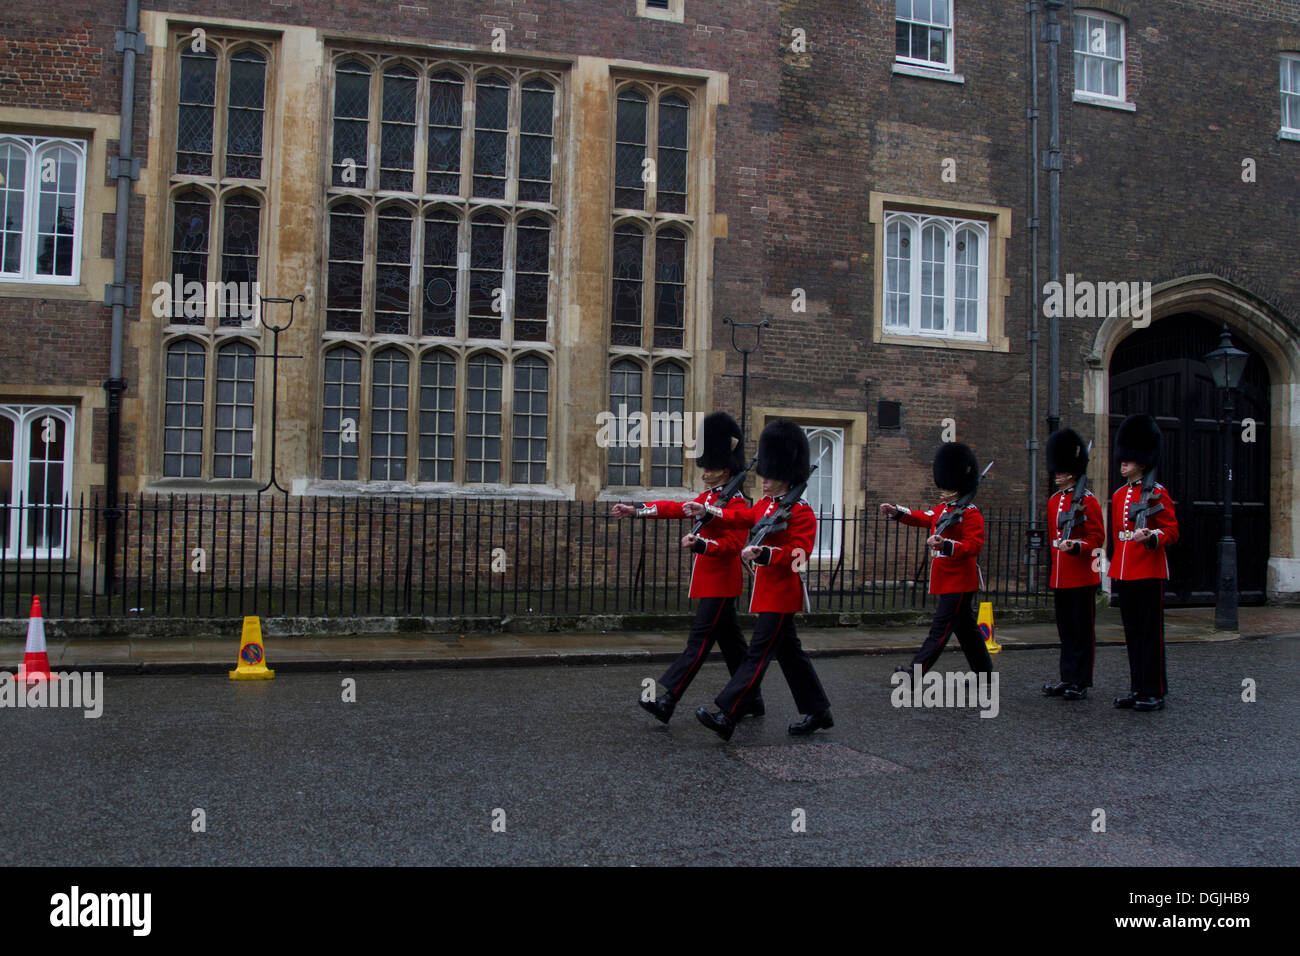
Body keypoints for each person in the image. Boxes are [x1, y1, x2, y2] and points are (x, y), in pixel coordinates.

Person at [609, 412, 763, 723]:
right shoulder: (710, 497)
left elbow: (734, 546)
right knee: (733, 646)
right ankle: (753, 699)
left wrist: (702, 545)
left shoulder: (736, 504)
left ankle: (668, 700)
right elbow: (674, 508)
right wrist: (636, 510)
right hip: (709, 582)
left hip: (722, 583)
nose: (706, 470)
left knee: (699, 642)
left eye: (711, 465)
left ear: (725, 467)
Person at [687, 420, 832, 741]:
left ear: (786, 476)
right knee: (792, 655)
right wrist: (709, 510)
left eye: (771, 476)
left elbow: (800, 555)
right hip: (766, 593)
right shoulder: (766, 505)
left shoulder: (801, 512)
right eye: (763, 474)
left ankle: (728, 713)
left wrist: (765, 555)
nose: (764, 481)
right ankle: (818, 710)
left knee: (757, 654)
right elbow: (741, 516)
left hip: (782, 595)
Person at [879, 442, 993, 679]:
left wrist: (947, 545)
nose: (942, 488)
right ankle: (985, 673)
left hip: (960, 581)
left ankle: (915, 673)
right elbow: (922, 517)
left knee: (939, 630)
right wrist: (897, 512)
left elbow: (974, 546)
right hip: (946, 579)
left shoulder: (970, 512)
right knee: (967, 630)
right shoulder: (943, 509)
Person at [1108, 413, 1179, 712]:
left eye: (1129, 459)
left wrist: (1151, 536)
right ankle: (1137, 688)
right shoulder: (1119, 494)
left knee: (1150, 633)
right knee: (1133, 633)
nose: (1123, 462)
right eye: (1123, 458)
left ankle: (1154, 691)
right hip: (1125, 571)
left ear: (1142, 460)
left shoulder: (1157, 493)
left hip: (1148, 570)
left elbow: (1172, 531)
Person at [1043, 428, 1105, 700]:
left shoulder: (1088, 501)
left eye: (1061, 470)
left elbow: (1097, 538)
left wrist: (1078, 546)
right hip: (1061, 576)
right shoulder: (1053, 501)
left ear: (1073, 470)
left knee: (1082, 632)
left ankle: (1081, 680)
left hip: (1082, 576)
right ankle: (1066, 677)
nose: (1056, 474)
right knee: (1066, 632)